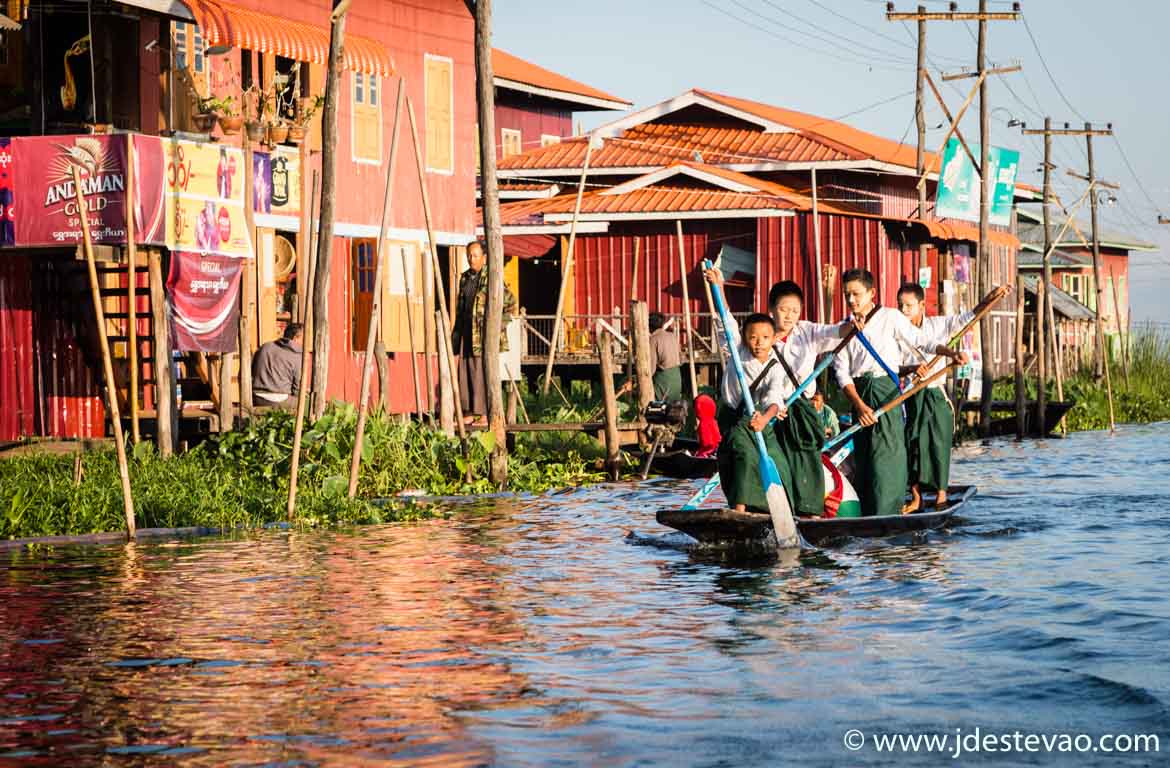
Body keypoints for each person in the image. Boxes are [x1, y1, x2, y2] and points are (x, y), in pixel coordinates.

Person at [705, 269, 855, 517]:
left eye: (795, 311)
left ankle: (808, 512)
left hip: (796, 410)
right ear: (772, 308)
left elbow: (835, 332)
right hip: (760, 411)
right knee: (751, 458)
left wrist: (851, 326)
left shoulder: (807, 331)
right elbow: (727, 325)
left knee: (803, 460)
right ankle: (753, 509)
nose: (790, 316)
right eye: (784, 309)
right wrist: (718, 288)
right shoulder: (757, 333)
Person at [832, 269, 966, 517]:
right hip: (860, 396)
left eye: (857, 294)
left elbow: (921, 340)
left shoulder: (890, 317)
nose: (852, 300)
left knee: (888, 455)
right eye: (847, 295)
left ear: (871, 293)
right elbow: (842, 373)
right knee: (865, 456)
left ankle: (888, 513)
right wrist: (860, 407)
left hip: (887, 393)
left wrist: (949, 353)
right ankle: (866, 513)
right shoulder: (844, 328)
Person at [897, 283, 973, 513]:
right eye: (900, 305)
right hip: (912, 393)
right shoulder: (896, 331)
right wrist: (910, 369)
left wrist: (986, 301)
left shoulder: (937, 325)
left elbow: (965, 320)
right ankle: (916, 497)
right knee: (913, 443)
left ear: (921, 305)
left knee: (939, 444)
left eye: (909, 306)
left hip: (935, 392)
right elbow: (893, 366)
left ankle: (941, 494)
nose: (904, 310)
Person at [714, 313, 793, 513]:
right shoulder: (737, 352)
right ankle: (739, 510)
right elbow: (726, 322)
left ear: (774, 338)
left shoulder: (775, 367)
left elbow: (775, 399)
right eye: (753, 337)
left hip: (760, 419)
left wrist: (765, 419)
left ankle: (782, 512)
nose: (759, 343)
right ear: (745, 337)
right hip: (737, 421)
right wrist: (719, 287)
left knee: (780, 462)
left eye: (765, 338)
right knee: (746, 457)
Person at [451, 241, 516, 426]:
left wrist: (497, 326)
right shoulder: (465, 278)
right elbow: (460, 308)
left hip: (482, 333)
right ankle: (469, 412)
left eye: (476, 256)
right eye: (469, 255)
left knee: (480, 372)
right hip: (465, 330)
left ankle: (485, 414)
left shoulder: (492, 277)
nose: (472, 259)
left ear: (484, 257)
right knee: (464, 370)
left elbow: (510, 302)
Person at [252, 323, 303, 411]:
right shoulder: (297, 355)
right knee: (305, 403)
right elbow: (297, 388)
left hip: (257, 397)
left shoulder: (265, 347)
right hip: (280, 400)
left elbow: (252, 371)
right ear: (296, 338)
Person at [648, 312, 683, 401]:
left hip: (664, 380)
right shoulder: (672, 336)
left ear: (649, 326)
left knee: (658, 409)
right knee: (673, 409)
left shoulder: (653, 339)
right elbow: (681, 358)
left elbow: (650, 369)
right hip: (677, 378)